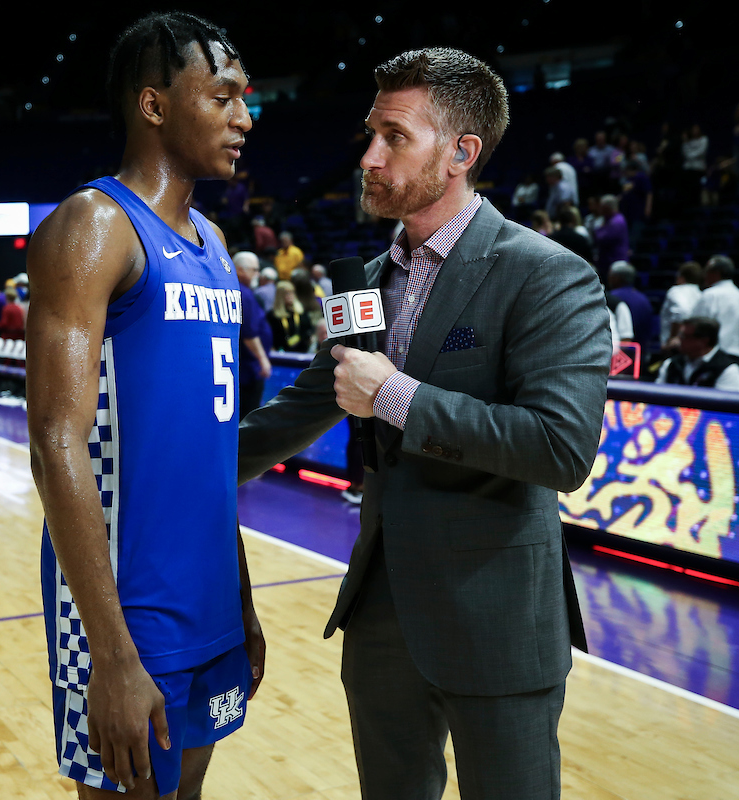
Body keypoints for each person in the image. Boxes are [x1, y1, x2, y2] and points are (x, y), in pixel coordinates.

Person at [238, 47, 610, 800]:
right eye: (370, 134)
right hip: (382, 616)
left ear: (461, 153)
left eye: (395, 138)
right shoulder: (368, 283)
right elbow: (303, 406)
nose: (370, 156)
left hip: (497, 617)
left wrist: (395, 397)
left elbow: (560, 447)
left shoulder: (546, 273)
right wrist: (175, 470)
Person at [25, 13, 264, 798]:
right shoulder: (94, 225)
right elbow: (55, 441)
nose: (244, 117)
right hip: (129, 612)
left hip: (209, 601)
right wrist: (110, 654)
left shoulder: (213, 244)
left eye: (245, 98)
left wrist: (242, 594)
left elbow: (211, 444)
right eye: (223, 95)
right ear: (155, 105)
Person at [656, 316, 739, 391]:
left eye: (685, 336)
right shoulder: (671, 364)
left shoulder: (727, 370)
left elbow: (730, 407)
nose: (678, 340)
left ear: (704, 341)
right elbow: (657, 396)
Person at [233, 251, 273, 419]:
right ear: (241, 270)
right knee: (248, 415)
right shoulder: (244, 293)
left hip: (246, 367)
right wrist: (262, 360)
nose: (257, 274)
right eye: (254, 270)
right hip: (249, 369)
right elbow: (249, 334)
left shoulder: (244, 291)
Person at [691, 254, 739, 361]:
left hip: (715, 360)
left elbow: (695, 327)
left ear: (716, 273)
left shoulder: (710, 295)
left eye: (707, 271)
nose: (704, 275)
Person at [659, 260, 704, 348]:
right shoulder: (701, 294)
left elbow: (681, 312)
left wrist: (674, 338)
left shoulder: (676, 290)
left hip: (675, 345)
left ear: (681, 277)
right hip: (693, 343)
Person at [267, 280, 312, 352]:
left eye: (292, 292)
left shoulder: (301, 312)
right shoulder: (272, 316)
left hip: (302, 351)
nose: (291, 296)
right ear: (280, 296)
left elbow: (308, 331)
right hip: (282, 353)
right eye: (287, 293)